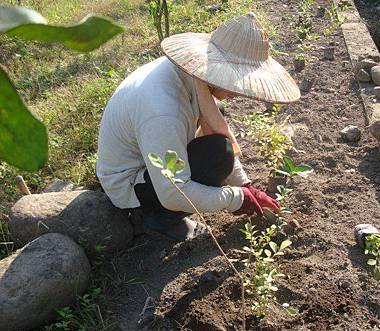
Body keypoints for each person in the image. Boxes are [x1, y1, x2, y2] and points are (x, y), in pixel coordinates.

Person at [96, 13, 300, 241]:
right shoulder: (164, 110)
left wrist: (245, 184)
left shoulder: (194, 78)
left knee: (218, 135)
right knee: (217, 156)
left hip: (152, 153)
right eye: (236, 81)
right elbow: (173, 192)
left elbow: (215, 126)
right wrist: (237, 198)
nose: (238, 91)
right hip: (130, 183)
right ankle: (156, 219)